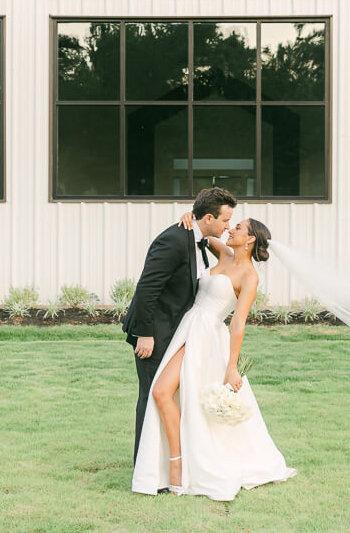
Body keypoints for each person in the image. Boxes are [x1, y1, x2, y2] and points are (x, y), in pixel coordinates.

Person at [131, 211, 296, 501]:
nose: (231, 229)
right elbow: (200, 234)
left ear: (250, 239)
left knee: (168, 394)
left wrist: (231, 367)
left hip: (207, 338)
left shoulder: (249, 276)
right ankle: (176, 463)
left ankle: (178, 469)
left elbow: (238, 323)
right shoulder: (223, 251)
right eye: (231, 224)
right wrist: (189, 219)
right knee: (162, 392)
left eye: (239, 227)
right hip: (186, 328)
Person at [122, 187, 236, 465]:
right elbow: (147, 288)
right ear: (209, 218)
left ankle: (165, 464)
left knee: (169, 397)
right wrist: (145, 334)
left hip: (179, 333)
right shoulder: (174, 239)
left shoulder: (198, 239)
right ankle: (146, 468)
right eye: (225, 220)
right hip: (155, 333)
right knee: (152, 396)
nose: (228, 226)